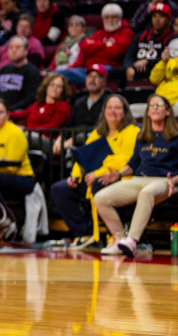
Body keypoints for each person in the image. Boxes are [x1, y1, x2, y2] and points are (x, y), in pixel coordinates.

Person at [93, 94, 178, 257]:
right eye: (151, 105)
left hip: (166, 181)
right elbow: (133, 164)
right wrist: (118, 175)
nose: (154, 108)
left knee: (146, 193)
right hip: (140, 179)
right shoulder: (142, 136)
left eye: (159, 105)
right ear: (147, 112)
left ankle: (132, 241)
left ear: (168, 111)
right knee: (100, 198)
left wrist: (174, 180)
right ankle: (120, 240)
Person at [48, 94, 139, 250]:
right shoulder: (98, 133)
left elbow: (125, 160)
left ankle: (115, 235)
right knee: (60, 189)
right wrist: (75, 175)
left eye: (117, 108)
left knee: (100, 183)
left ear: (125, 112)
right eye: (109, 108)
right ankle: (84, 233)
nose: (113, 111)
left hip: (119, 180)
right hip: (93, 179)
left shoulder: (132, 131)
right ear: (104, 111)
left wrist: (97, 173)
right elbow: (84, 155)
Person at [0, 99, 46, 245]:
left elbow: (12, 167)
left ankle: (5, 220)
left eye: (0, 112)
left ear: (8, 115)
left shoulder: (16, 133)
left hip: (23, 179)